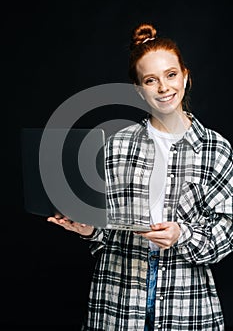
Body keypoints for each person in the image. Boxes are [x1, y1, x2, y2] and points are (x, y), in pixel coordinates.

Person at [47, 22, 233, 330]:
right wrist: (87, 229)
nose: (163, 88)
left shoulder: (216, 149)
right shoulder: (117, 145)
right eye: (151, 80)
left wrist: (181, 235)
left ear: (185, 76)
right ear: (139, 89)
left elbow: (227, 234)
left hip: (186, 302)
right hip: (118, 301)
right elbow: (107, 235)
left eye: (171, 75)